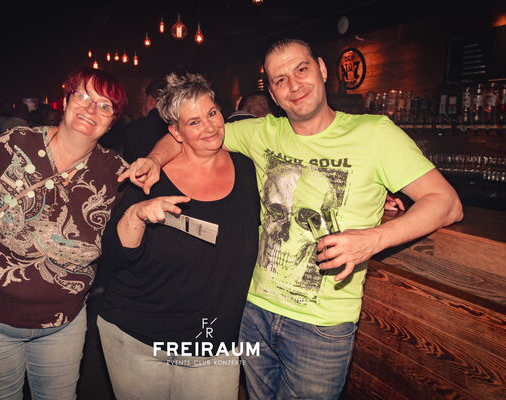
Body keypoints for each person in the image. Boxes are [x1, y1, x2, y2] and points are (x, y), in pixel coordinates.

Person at [121, 38, 464, 400]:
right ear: (272, 92)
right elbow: (190, 133)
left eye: (301, 69)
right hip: (253, 311)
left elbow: (446, 203)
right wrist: (155, 160)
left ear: (322, 69)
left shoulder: (375, 133)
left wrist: (372, 239)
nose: (294, 85)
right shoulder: (261, 131)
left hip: (320, 326)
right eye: (280, 79)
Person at [0, 67, 128, 400]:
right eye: (83, 96)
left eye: (105, 105)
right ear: (66, 101)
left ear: (112, 121)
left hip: (61, 323)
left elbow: (125, 241)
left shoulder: (116, 172)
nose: (91, 109)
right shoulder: (15, 143)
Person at [97, 72, 260, 400]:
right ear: (176, 131)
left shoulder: (248, 169)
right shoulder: (151, 177)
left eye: (212, 113)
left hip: (213, 342)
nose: (210, 127)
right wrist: (136, 214)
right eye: (194, 122)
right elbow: (114, 256)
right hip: (138, 335)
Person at [122, 79, 168, 163]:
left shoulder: (134, 128)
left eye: (143, 100)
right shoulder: (177, 127)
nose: (141, 105)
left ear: (151, 101)